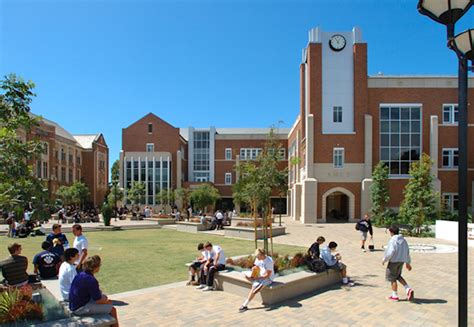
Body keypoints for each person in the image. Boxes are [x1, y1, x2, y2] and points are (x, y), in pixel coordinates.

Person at [69, 255, 119, 326]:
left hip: (75, 304)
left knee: (105, 300)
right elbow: (98, 300)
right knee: (112, 309)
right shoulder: (91, 280)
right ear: (96, 267)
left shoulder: (80, 274)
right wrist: (106, 300)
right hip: (79, 309)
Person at [382, 225, 414, 301]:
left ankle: (395, 295)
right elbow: (407, 251)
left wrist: (384, 259)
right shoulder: (403, 240)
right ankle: (408, 289)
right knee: (398, 276)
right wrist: (407, 262)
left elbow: (390, 252)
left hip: (394, 261)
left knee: (392, 278)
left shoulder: (393, 240)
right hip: (401, 261)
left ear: (392, 232)